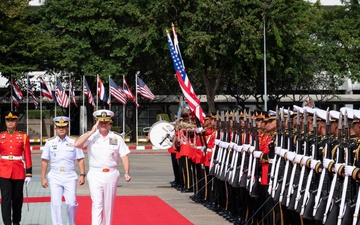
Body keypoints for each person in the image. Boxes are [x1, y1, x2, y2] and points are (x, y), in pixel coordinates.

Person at [74, 109, 131, 225]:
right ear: (97, 123)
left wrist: (126, 172)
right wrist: (91, 131)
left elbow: (124, 156)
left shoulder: (116, 138)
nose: (104, 125)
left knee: (108, 205)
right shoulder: (91, 136)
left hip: (111, 174)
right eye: (101, 122)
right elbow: (77, 144)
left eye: (106, 122)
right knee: (97, 204)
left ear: (110, 123)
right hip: (95, 174)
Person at [41, 116, 85, 225]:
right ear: (55, 128)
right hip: (55, 175)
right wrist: (43, 178)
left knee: (71, 203)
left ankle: (71, 222)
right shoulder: (49, 142)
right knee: (56, 204)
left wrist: (82, 174)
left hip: (69, 175)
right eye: (59, 127)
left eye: (64, 127)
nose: (61, 129)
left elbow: (80, 159)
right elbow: (45, 160)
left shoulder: (74, 142)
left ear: (67, 128)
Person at [0, 111, 32, 225]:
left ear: (16, 121)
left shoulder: (23, 136)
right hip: (3, 171)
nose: (10, 122)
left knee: (17, 199)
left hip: (18, 171)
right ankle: (7, 222)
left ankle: (16, 222)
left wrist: (29, 173)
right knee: (6, 199)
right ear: (5, 122)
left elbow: (27, 155)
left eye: (12, 120)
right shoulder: (1, 136)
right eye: (8, 120)